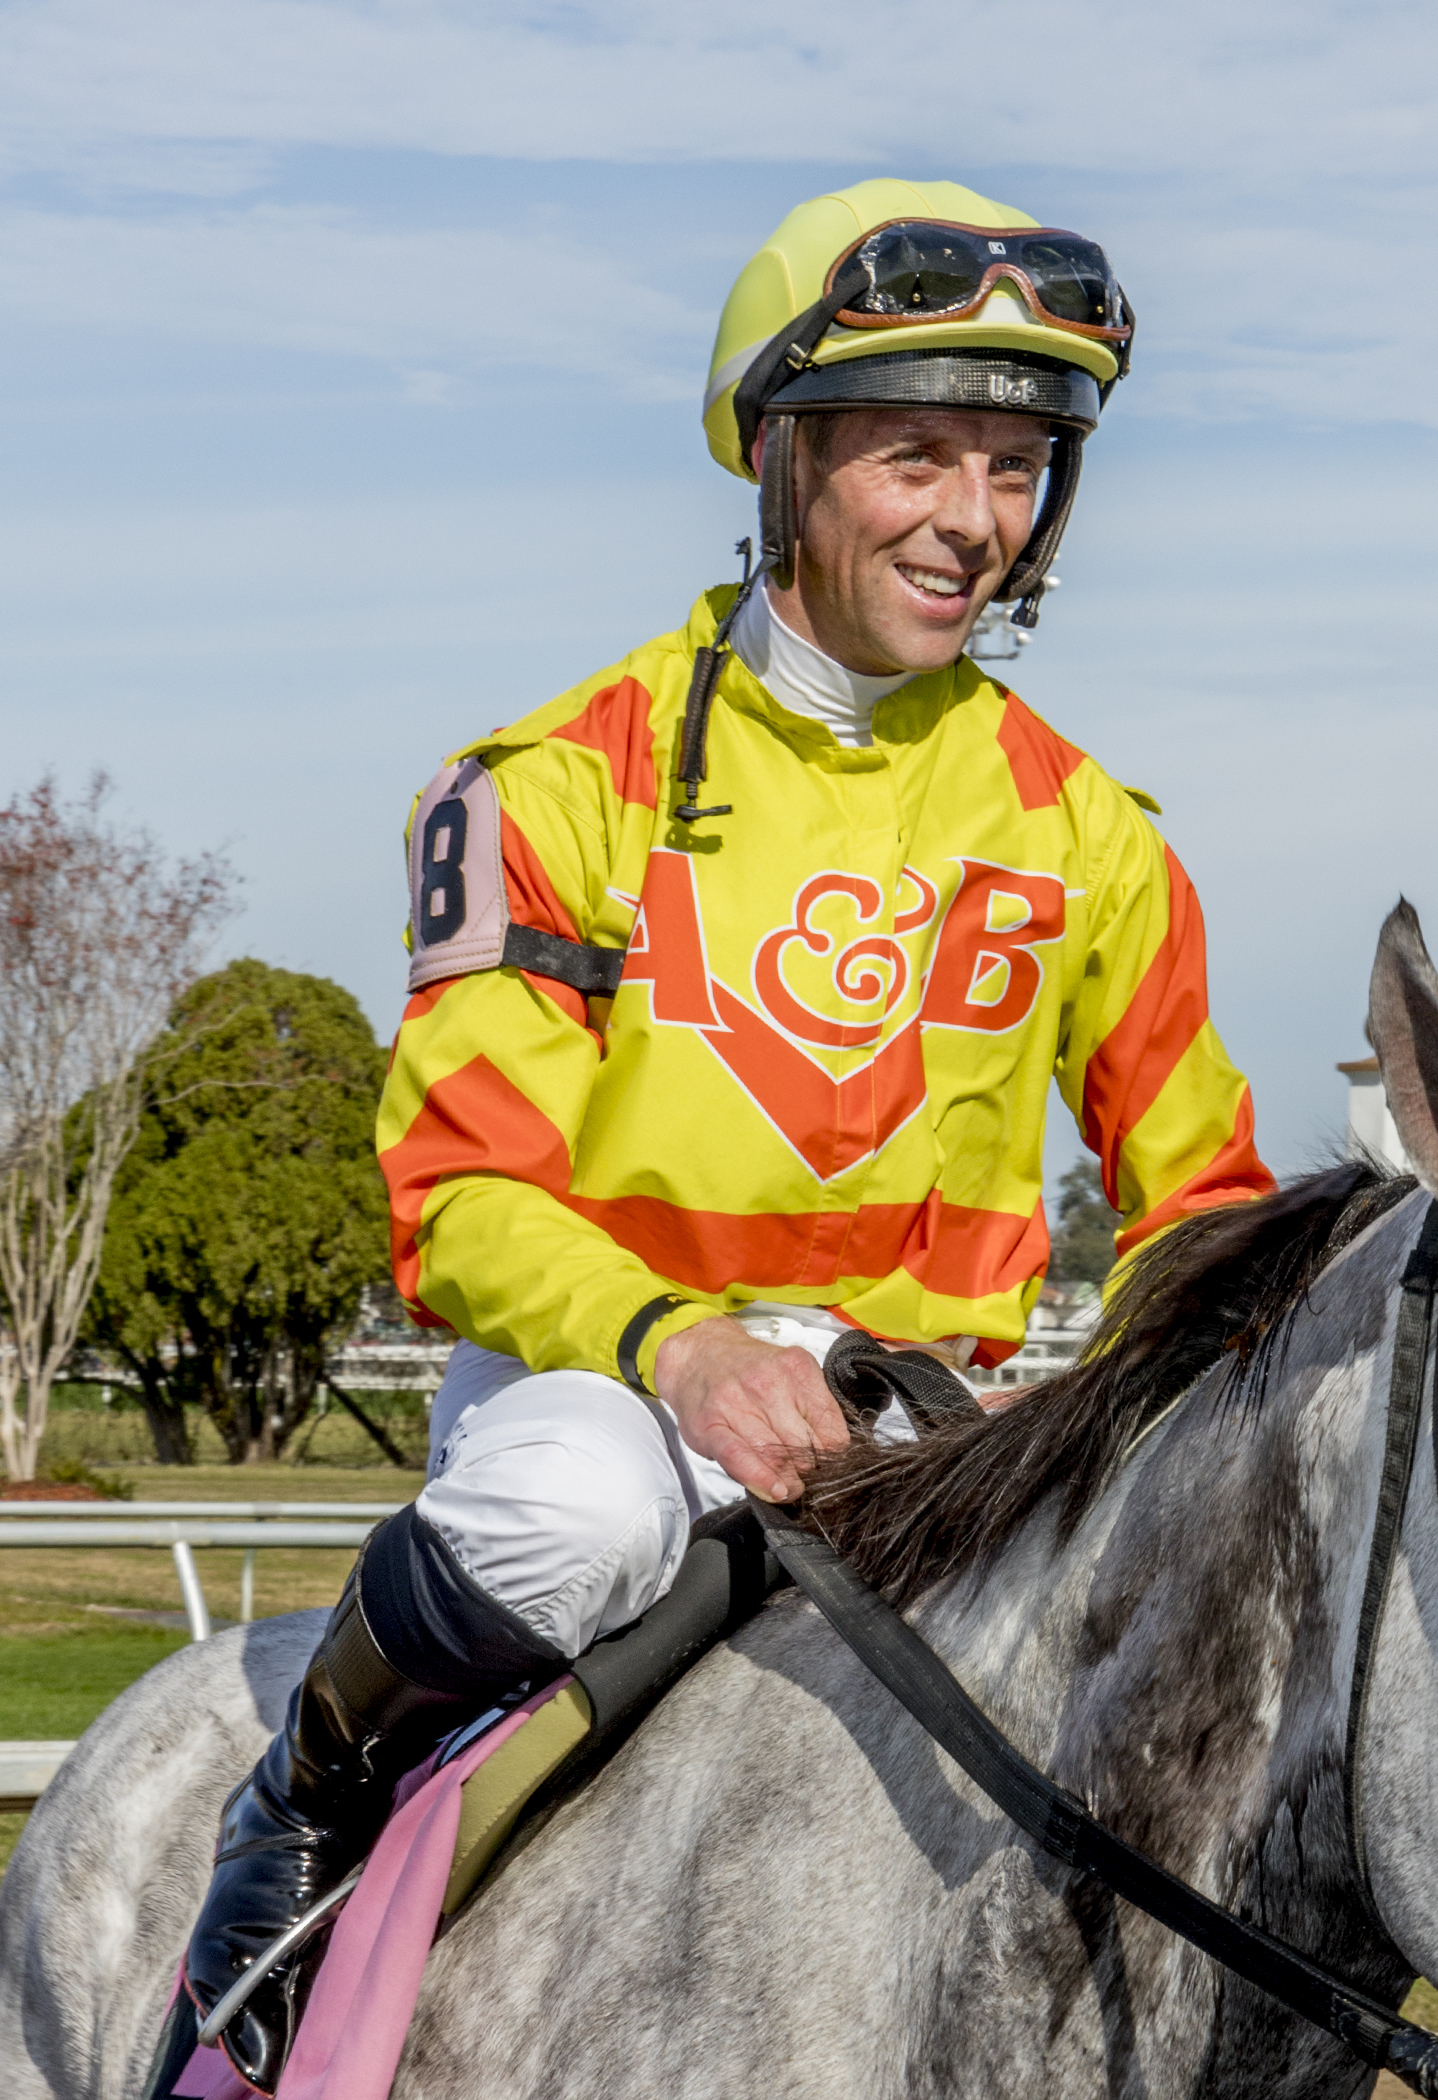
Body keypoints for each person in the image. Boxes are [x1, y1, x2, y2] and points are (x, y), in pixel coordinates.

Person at [184, 177, 1273, 2090]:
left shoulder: (1099, 838)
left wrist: (1090, 1398)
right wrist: (685, 1354)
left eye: (1016, 466)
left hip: (938, 1441)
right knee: (574, 1505)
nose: (971, 521)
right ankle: (304, 1799)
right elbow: (456, 1198)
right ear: (784, 462)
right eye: (917, 454)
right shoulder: (552, 784)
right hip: (611, 1400)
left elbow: (1210, 1210)